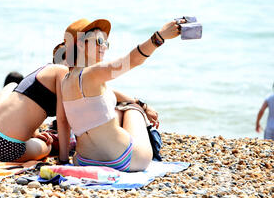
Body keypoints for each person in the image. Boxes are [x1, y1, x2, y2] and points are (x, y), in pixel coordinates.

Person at [59, 18, 182, 172]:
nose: (103, 46)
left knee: (119, 108)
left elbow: (64, 119)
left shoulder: (66, 80)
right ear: (80, 43)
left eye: (106, 43)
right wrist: (160, 36)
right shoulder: (94, 73)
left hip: (84, 160)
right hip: (125, 160)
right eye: (98, 40)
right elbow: (133, 60)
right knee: (132, 109)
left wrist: (63, 160)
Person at [0, 50, 70, 163]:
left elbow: (25, 102)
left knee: (12, 85)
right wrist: (64, 160)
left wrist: (35, 134)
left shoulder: (45, 69)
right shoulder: (64, 72)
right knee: (47, 146)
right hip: (4, 145)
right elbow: (63, 120)